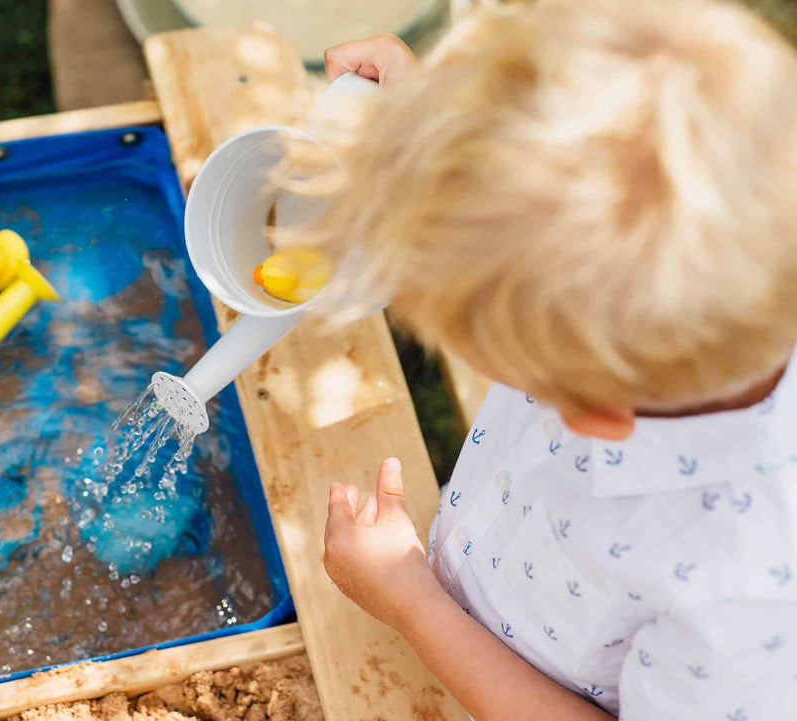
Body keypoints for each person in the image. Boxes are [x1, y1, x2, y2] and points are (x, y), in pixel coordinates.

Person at [306, 1, 797, 719]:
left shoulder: (749, 601)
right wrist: (450, 140)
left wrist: (412, 602)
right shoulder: (685, 288)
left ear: (592, 412)